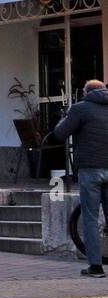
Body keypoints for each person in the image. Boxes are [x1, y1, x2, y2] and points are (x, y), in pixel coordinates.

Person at [54, 79, 108, 277]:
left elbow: (60, 133)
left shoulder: (80, 108)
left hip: (90, 169)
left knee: (90, 218)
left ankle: (96, 267)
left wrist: (65, 117)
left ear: (86, 92)